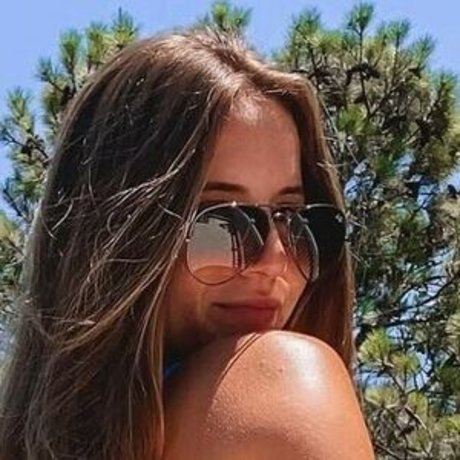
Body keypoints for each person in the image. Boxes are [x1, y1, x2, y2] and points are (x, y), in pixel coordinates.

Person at [0, 28, 375, 459]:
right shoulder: (284, 379)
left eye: (294, 220)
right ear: (120, 236)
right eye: (220, 220)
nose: (274, 260)